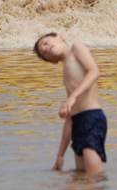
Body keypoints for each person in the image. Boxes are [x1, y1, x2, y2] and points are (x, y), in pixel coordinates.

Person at [34, 33, 107, 174]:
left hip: (91, 118)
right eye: (43, 53)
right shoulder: (65, 71)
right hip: (77, 124)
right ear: (51, 62)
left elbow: (94, 72)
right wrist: (60, 155)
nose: (45, 49)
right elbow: (69, 118)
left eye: (45, 42)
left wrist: (72, 96)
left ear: (59, 37)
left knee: (93, 179)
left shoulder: (76, 47)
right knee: (80, 180)